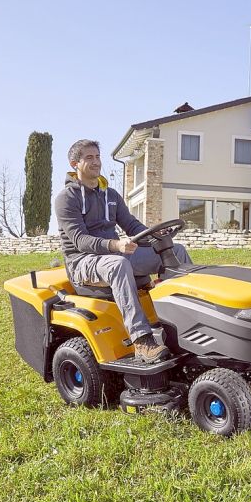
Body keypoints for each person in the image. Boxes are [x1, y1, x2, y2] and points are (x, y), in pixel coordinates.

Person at [54, 139, 193, 363]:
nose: (96, 162)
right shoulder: (66, 199)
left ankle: (187, 322)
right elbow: (80, 241)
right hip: (83, 263)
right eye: (89, 158)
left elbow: (132, 226)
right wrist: (115, 245)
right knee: (117, 264)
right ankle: (142, 341)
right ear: (74, 164)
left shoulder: (110, 195)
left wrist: (155, 235)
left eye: (97, 157)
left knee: (175, 250)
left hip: (115, 254)